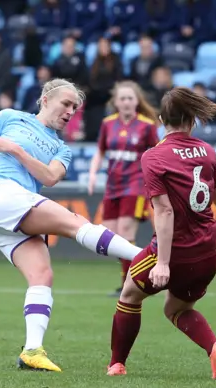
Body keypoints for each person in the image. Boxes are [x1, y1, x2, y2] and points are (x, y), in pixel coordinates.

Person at [0, 78, 143, 372]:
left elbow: (49, 178)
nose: (71, 111)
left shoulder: (63, 150)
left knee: (42, 274)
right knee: (76, 223)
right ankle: (145, 257)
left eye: (75, 107)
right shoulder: (10, 117)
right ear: (46, 99)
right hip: (0, 194)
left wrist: (17, 151)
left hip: (11, 208)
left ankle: (32, 351)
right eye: (66, 103)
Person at [107, 87, 216, 379]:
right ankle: (214, 347)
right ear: (191, 121)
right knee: (176, 307)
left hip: (174, 251)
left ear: (162, 119)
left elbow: (164, 212)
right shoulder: (207, 150)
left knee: (128, 295)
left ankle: (117, 364)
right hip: (208, 251)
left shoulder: (154, 157)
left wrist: (162, 262)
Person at [87, 81, 159, 297]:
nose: (126, 102)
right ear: (116, 102)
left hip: (135, 185)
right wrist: (92, 174)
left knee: (126, 234)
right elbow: (100, 151)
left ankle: (129, 283)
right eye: (123, 98)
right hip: (113, 186)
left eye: (130, 98)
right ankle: (140, 272)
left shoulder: (147, 125)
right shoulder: (108, 124)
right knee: (113, 236)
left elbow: (155, 154)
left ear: (137, 101)